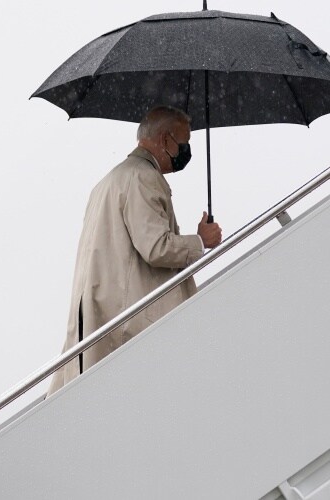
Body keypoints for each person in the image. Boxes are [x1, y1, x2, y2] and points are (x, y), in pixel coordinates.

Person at [48, 106, 222, 395]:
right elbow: (155, 247)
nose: (186, 150)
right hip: (129, 319)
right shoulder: (143, 177)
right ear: (165, 140)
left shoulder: (108, 181)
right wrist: (201, 240)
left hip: (99, 311)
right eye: (184, 142)